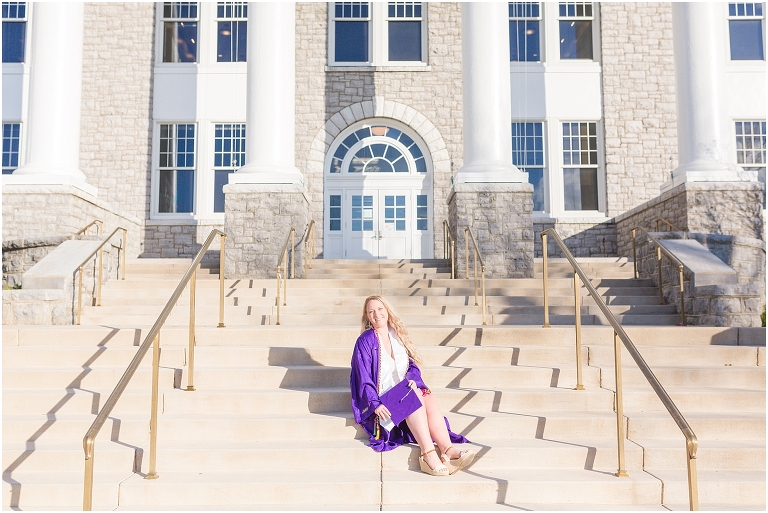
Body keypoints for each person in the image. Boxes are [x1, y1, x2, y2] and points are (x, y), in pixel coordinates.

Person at [350, 295, 475, 476]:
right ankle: (428, 454)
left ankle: (447, 449)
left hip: (403, 395)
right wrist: (374, 404)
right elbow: (362, 377)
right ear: (367, 316)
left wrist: (411, 379)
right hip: (382, 405)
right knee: (410, 395)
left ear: (387, 311)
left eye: (380, 309)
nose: (376, 314)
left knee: (426, 396)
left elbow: (412, 366)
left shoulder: (397, 335)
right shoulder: (365, 340)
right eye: (371, 311)